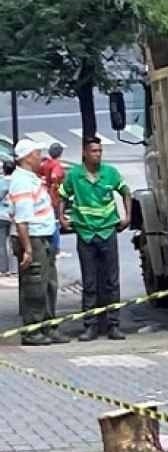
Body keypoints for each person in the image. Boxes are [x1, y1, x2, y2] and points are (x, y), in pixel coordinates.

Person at [59, 136, 131, 341]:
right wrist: (62, 218)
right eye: (93, 151)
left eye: (99, 151)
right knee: (89, 283)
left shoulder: (110, 173)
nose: (97, 155)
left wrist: (127, 216)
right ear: (84, 153)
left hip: (108, 231)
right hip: (85, 233)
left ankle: (113, 325)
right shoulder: (74, 175)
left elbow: (126, 192)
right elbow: (63, 196)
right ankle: (90, 325)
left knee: (112, 281)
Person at [9, 139, 67, 346]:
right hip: (32, 238)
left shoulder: (32, 179)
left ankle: (48, 326)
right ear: (26, 157)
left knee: (49, 284)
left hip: (44, 235)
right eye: (37, 154)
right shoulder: (22, 181)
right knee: (35, 285)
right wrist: (27, 249)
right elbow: (22, 220)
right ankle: (32, 330)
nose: (40, 158)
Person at [0, 159, 13, 276]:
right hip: (14, 216)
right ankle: (15, 268)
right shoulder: (17, 182)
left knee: (2, 243)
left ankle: (4, 269)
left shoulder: (1, 182)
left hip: (2, 216)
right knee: (13, 243)